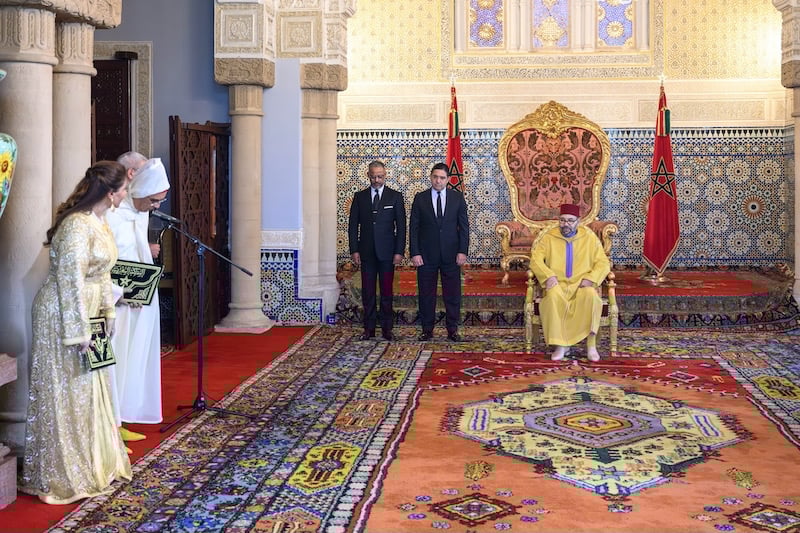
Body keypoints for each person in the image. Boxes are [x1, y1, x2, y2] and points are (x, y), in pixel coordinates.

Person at [20, 161, 132, 504]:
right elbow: (70, 280)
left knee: (91, 388)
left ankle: (95, 462)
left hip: (88, 312)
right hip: (62, 316)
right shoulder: (75, 226)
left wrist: (108, 311)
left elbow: (102, 273)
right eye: (124, 190)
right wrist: (79, 330)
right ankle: (64, 473)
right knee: (68, 390)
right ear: (110, 193)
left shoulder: (100, 221)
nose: (126, 195)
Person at [106, 157, 169, 439]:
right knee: (116, 358)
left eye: (160, 201)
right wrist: (117, 293)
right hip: (114, 299)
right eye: (154, 200)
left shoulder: (140, 212)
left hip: (140, 295)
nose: (156, 207)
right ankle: (111, 423)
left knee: (135, 356)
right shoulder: (111, 213)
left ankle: (125, 416)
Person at [529, 203, 611, 362]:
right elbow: (535, 260)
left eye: (570, 221)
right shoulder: (549, 237)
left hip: (581, 284)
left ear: (578, 221)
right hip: (557, 284)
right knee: (552, 298)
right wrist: (548, 276)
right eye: (562, 220)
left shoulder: (589, 237)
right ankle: (561, 345)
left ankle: (591, 346)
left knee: (592, 298)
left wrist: (591, 279)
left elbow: (603, 263)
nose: (566, 224)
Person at [409, 162, 469, 341]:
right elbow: (414, 228)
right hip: (426, 255)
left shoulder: (457, 198)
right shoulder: (420, 198)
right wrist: (415, 252)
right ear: (430, 177)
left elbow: (464, 227)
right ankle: (427, 330)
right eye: (435, 177)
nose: (438, 181)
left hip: (451, 254)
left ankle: (453, 330)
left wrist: (462, 251)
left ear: (448, 179)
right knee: (426, 294)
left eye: (442, 178)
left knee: (452, 294)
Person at [347, 160, 406, 341]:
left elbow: (401, 227)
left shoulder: (395, 196)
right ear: (368, 175)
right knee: (368, 293)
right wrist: (354, 250)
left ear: (385, 175)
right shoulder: (360, 197)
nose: (377, 180)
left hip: (387, 253)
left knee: (387, 292)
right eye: (373, 177)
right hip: (366, 253)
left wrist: (399, 251)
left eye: (380, 176)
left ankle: (387, 329)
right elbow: (353, 226)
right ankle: (369, 329)